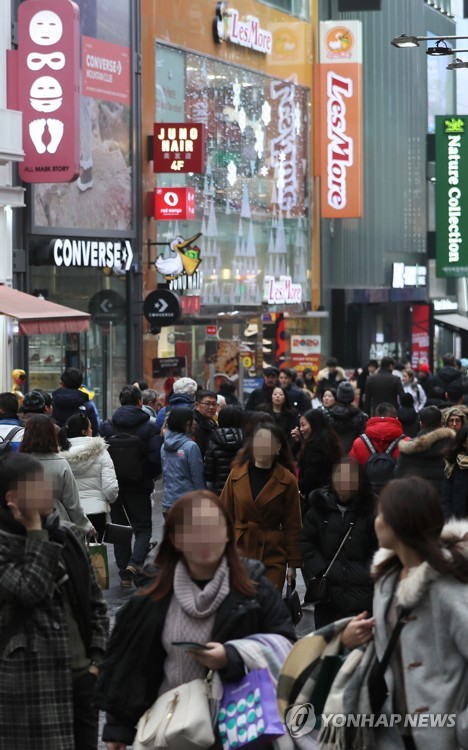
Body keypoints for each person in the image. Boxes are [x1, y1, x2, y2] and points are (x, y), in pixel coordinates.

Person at [95, 490, 296, 749]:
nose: (204, 539)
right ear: (175, 539)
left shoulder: (253, 587)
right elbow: (132, 663)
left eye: (213, 528)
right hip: (174, 730)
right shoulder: (154, 594)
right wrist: (118, 729)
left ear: (226, 534)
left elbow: (284, 645)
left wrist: (231, 657)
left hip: (240, 728)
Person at [342, 476, 468, 750]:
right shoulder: (387, 581)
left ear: (400, 521)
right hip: (392, 733)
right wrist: (352, 639)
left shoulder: (447, 589)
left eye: (381, 513)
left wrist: (462, 728)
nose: (376, 520)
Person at [0, 452, 108, 750]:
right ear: (12, 498)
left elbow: (95, 602)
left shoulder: (68, 535)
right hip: (29, 687)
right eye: (38, 487)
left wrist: (97, 661)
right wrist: (36, 531)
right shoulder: (5, 544)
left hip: (81, 678)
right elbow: (30, 588)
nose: (49, 492)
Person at [220, 422, 302, 591]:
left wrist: (292, 564)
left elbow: (293, 524)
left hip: (272, 554)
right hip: (239, 550)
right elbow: (223, 515)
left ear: (277, 447)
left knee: (267, 609)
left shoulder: (287, 479)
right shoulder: (236, 474)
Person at [302, 458, 377, 628]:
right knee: (327, 649)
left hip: (363, 597)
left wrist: (368, 572)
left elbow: (380, 547)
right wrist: (321, 571)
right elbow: (307, 543)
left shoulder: (371, 509)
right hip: (328, 597)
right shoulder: (319, 507)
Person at [100, 385, 162, 587]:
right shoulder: (150, 426)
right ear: (139, 402)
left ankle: (122, 569)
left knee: (119, 527)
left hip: (115, 485)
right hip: (139, 485)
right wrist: (148, 477)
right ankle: (135, 564)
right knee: (143, 527)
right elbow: (155, 459)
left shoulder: (107, 425)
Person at [20, 414, 92, 535]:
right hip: (57, 525)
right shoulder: (61, 463)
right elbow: (72, 504)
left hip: (24, 525)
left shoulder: (18, 463)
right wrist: (86, 526)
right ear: (52, 435)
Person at [59, 412, 119, 541]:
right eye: (90, 427)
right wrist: (110, 500)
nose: (92, 430)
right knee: (95, 555)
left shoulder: (59, 455)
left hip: (69, 513)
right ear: (84, 431)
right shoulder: (101, 451)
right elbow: (110, 488)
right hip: (97, 510)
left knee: (74, 554)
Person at [394, 405, 455, 494]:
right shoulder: (453, 446)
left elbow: (398, 475)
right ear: (441, 423)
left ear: (421, 424)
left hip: (416, 500)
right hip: (443, 499)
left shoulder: (406, 449)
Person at [160, 407, 206, 517]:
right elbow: (197, 478)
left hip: (168, 503)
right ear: (185, 423)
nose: (195, 423)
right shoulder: (191, 446)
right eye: (192, 420)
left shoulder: (164, 446)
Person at [291, 408, 342, 505]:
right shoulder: (328, 439)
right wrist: (298, 443)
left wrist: (294, 488)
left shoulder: (314, 447)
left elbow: (311, 477)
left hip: (317, 498)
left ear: (314, 424)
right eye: (300, 425)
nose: (301, 429)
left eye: (303, 425)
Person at [204, 405, 244, 495]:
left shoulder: (214, 438)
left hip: (220, 490)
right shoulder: (247, 438)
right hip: (242, 488)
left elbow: (209, 469)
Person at [52, 368, 98, 435]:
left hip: (57, 442)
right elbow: (94, 430)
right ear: (80, 385)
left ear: (62, 383)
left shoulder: (51, 403)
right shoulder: (88, 405)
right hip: (82, 444)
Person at [326, 381, 368, 454]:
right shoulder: (361, 417)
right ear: (352, 396)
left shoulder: (327, 415)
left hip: (332, 458)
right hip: (353, 458)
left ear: (338, 396)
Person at [442, 424, 468, 519]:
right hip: (459, 523)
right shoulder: (453, 466)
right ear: (464, 443)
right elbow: (447, 498)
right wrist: (450, 522)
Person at [192, 389, 218, 457]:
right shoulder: (193, 425)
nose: (211, 407)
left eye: (214, 404)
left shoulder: (212, 422)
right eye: (207, 404)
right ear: (197, 405)